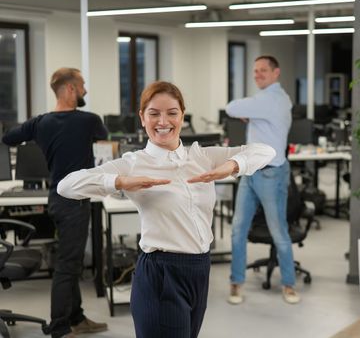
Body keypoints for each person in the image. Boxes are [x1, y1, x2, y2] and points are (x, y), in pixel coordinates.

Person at [57, 81, 276, 338]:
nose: (163, 121)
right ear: (142, 117)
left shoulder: (201, 156)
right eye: (154, 113)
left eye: (172, 112)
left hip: (200, 270)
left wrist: (231, 166)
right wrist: (118, 181)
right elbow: (66, 185)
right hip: (162, 274)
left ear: (182, 115)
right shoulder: (134, 163)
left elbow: (265, 150)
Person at [2, 67, 109, 338]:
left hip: (57, 199)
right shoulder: (89, 121)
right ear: (71, 88)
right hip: (75, 202)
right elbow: (107, 141)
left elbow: (8, 138)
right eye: (82, 85)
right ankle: (60, 327)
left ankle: (77, 317)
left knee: (70, 262)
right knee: (67, 265)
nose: (85, 90)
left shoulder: (40, 123)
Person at [226, 55, 300, 305]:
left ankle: (289, 285)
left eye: (263, 70)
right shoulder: (268, 102)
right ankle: (236, 283)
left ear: (276, 72)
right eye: (255, 70)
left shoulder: (272, 99)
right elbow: (249, 113)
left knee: (278, 231)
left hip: (271, 174)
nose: (257, 74)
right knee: (238, 229)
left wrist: (249, 112)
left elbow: (231, 107)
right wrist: (252, 114)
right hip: (250, 170)